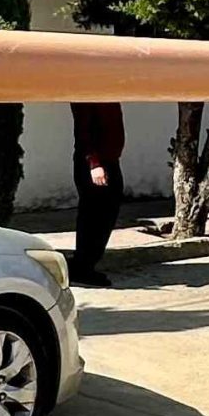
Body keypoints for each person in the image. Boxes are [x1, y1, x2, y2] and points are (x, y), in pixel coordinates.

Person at [71, 101, 126, 285]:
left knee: (106, 213)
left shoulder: (107, 92)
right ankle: (82, 267)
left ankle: (86, 264)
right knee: (93, 216)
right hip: (95, 164)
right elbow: (83, 130)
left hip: (110, 160)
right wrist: (94, 164)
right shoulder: (87, 94)